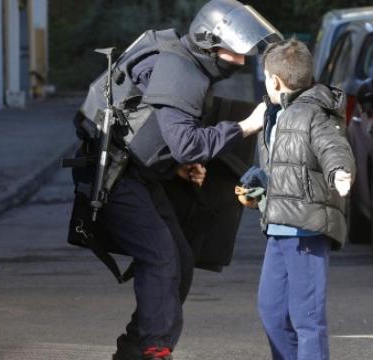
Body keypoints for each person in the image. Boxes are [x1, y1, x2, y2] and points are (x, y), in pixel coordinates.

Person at [70, 1, 281, 359]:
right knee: (162, 258)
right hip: (118, 178)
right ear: (208, 42)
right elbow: (185, 145)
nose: (242, 61)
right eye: (234, 52)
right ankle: (155, 349)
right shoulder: (181, 72)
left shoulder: (180, 60)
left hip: (138, 171)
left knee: (179, 259)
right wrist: (246, 126)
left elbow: (156, 128)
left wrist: (176, 167)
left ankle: (134, 351)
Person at [236, 39, 355, 360]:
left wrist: (340, 171)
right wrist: (257, 181)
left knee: (307, 318)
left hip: (306, 229)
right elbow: (282, 163)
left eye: (264, 78)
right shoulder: (275, 113)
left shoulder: (315, 112)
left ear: (274, 80)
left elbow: (333, 146)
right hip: (278, 227)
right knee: (272, 312)